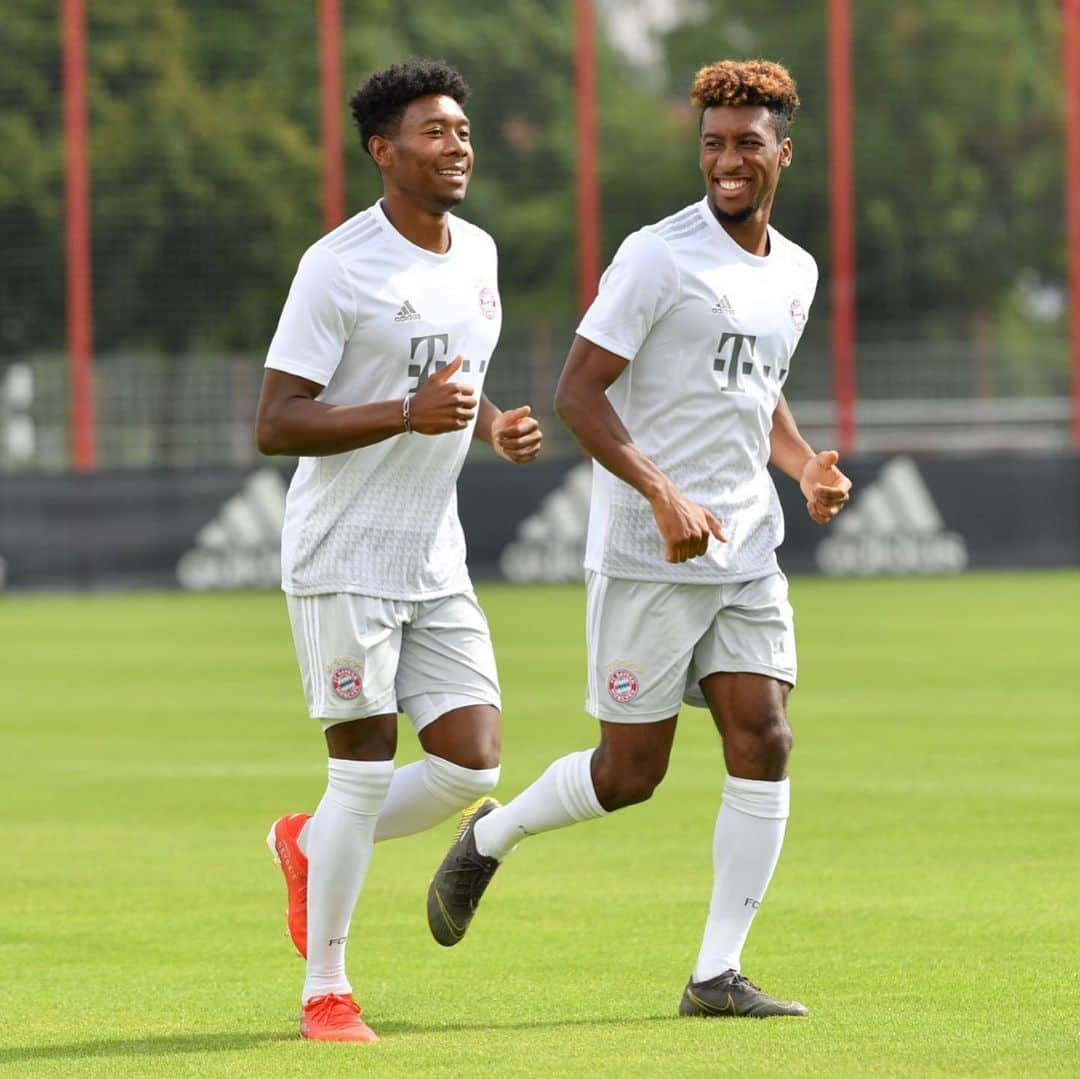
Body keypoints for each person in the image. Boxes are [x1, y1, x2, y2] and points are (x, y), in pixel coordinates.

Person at [427, 58, 851, 1019]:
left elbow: (759, 388)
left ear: (785, 150)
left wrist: (802, 467)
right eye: (713, 144)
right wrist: (661, 494)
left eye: (748, 144)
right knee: (631, 774)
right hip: (646, 548)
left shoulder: (796, 270)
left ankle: (716, 973)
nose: (728, 161)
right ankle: (489, 839)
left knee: (767, 735)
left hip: (744, 547)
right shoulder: (657, 255)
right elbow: (580, 392)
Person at [255, 57, 542, 1043]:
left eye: (461, 129)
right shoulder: (337, 266)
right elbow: (276, 422)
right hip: (343, 551)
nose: (455, 145)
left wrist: (492, 423)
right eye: (432, 131)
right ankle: (326, 991)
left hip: (433, 552)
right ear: (384, 152)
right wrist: (406, 414)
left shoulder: (479, 255)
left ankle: (306, 841)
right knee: (364, 769)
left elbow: (452, 383)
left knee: (471, 762)